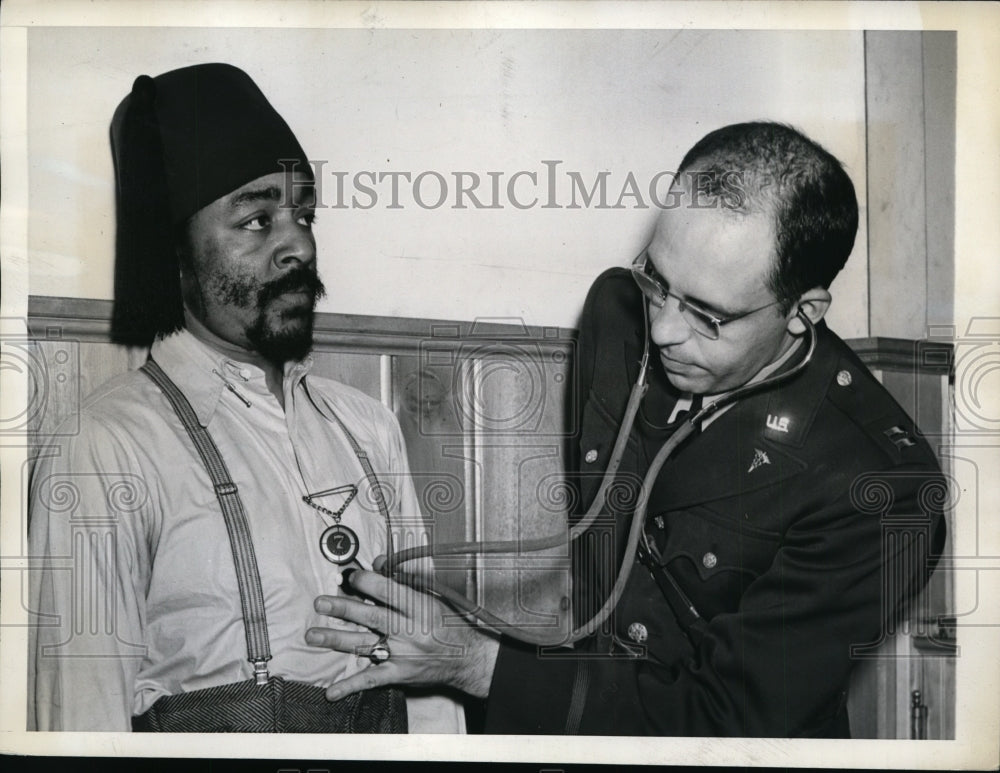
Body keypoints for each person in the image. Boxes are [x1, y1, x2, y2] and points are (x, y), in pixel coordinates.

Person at [305, 122, 947, 737]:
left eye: (707, 315)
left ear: (803, 311)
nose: (664, 328)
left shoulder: (882, 491)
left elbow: (727, 721)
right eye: (659, 281)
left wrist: (476, 662)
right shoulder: (618, 316)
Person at [28, 63, 462, 733]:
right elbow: (80, 720)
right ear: (175, 256)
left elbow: (431, 688)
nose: (297, 242)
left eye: (303, 214)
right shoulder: (106, 447)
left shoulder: (369, 429)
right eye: (257, 220)